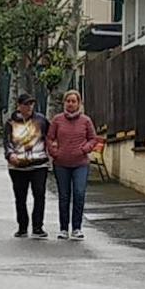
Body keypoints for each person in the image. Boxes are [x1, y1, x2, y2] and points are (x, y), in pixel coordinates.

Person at [46, 89, 99, 240]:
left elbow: (93, 138)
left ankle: (77, 228)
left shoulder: (86, 121)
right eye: (68, 101)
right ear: (64, 103)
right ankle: (63, 228)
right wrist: (54, 152)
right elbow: (49, 138)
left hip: (80, 164)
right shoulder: (57, 120)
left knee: (79, 193)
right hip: (61, 164)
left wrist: (85, 149)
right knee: (64, 196)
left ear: (79, 103)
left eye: (73, 101)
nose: (70, 104)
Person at [3, 93, 50, 239]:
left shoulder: (41, 120)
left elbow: (50, 137)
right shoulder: (11, 122)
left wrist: (53, 152)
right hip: (17, 166)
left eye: (31, 104)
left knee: (39, 193)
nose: (29, 107)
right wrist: (10, 155)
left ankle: (38, 227)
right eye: (26, 104)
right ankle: (22, 227)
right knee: (20, 197)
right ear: (19, 106)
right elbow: (6, 142)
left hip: (39, 164)